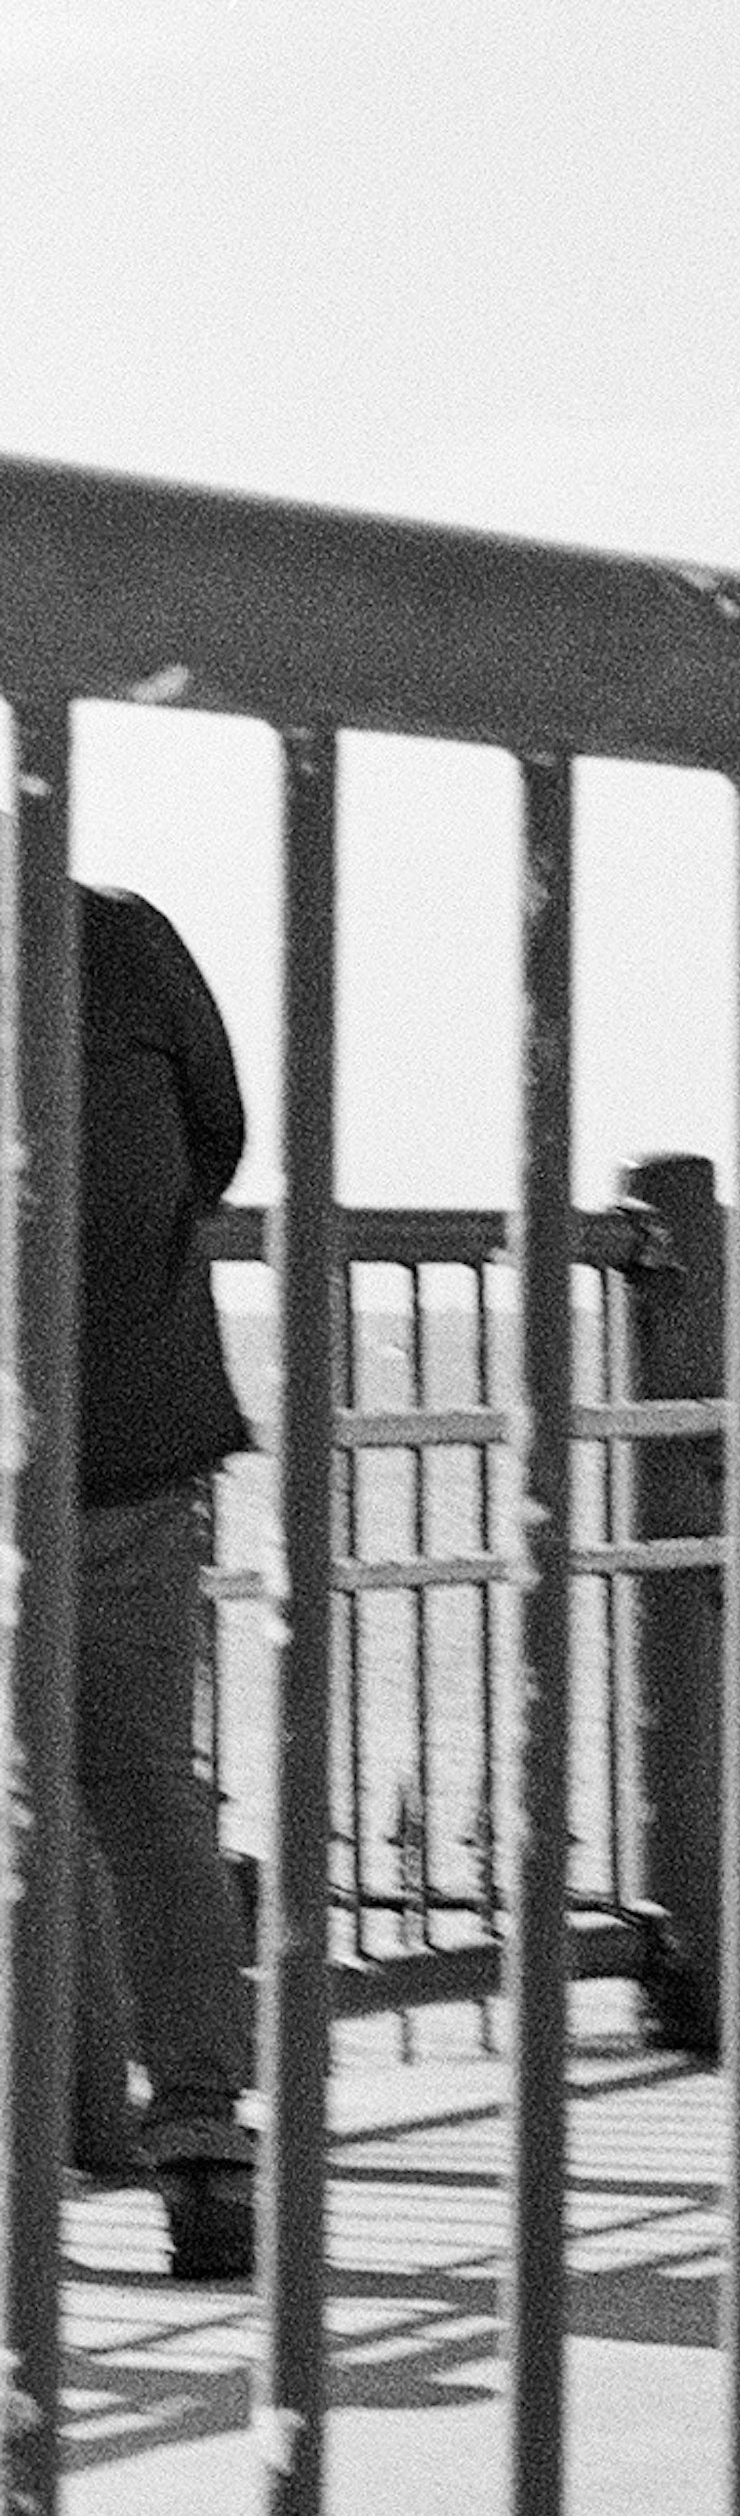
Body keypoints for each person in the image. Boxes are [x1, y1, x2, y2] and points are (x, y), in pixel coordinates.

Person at [72, 885, 257, 2287]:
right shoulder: (123, 935)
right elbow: (220, 1139)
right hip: (131, 1429)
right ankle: (199, 2143)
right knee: (142, 1786)